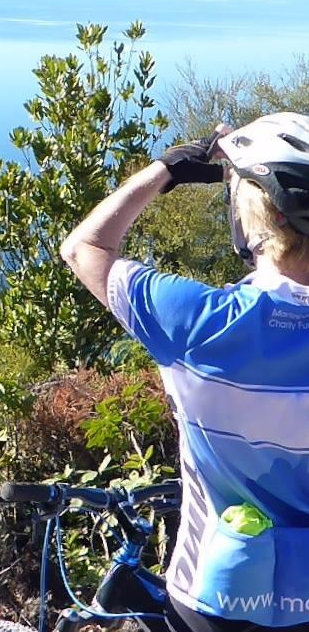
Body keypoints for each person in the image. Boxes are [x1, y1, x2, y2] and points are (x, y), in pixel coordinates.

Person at [60, 112, 309, 632]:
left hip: (215, 599)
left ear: (266, 219)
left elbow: (84, 247)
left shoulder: (196, 323)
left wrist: (168, 169)